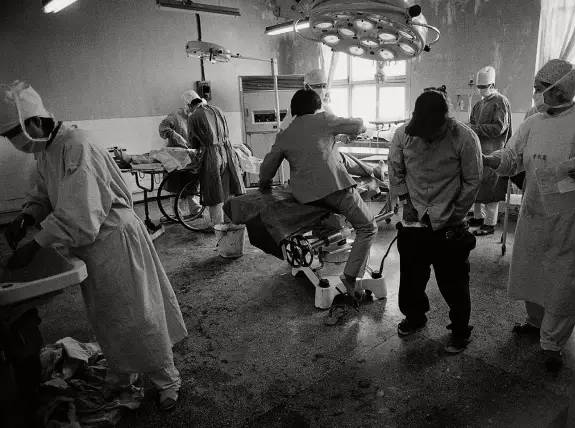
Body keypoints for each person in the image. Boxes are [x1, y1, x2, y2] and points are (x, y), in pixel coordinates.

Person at [0, 81, 188, 411]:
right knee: (108, 319)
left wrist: (35, 245)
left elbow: (80, 213)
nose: (13, 142)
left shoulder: (77, 146)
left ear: (34, 121)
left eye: (13, 133)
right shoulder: (47, 150)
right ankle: (122, 374)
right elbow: (44, 193)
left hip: (114, 239)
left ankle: (166, 380)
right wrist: (27, 215)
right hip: (92, 247)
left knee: (139, 314)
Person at [483, 59, 575, 372]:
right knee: (533, 271)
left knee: (563, 280)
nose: (535, 93)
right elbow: (512, 157)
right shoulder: (533, 123)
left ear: (559, 90)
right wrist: (490, 159)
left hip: (571, 219)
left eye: (539, 88)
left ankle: (552, 344)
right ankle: (536, 322)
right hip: (536, 213)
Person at [259, 89, 376, 316]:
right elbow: (357, 125)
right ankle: (350, 277)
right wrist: (358, 127)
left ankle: (328, 236)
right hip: (334, 188)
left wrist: (264, 186)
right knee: (367, 227)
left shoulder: (285, 133)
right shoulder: (324, 119)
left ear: (293, 109)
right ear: (317, 106)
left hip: (304, 195)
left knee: (341, 164)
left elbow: (267, 169)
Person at [388, 89, 482, 354]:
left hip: (449, 221)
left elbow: (473, 180)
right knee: (411, 277)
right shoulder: (403, 134)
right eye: (423, 131)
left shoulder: (464, 137)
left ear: (445, 120)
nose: (427, 136)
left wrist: (456, 213)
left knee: (454, 282)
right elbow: (395, 169)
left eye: (433, 131)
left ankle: (460, 330)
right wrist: (405, 202)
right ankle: (415, 317)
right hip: (415, 219)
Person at [185, 89, 245, 226]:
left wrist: (195, 150)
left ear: (189, 105)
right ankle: (229, 223)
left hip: (211, 156)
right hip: (226, 152)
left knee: (214, 191)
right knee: (226, 188)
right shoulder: (218, 110)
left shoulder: (193, 117)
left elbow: (193, 143)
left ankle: (217, 225)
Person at [468, 66, 512, 236]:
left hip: (494, 153)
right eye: (478, 87)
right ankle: (478, 218)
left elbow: (500, 128)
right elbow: (472, 124)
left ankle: (490, 223)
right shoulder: (479, 104)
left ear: (492, 85)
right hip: (478, 152)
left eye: (483, 87)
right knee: (477, 186)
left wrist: (477, 129)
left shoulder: (500, 102)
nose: (480, 90)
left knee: (492, 189)